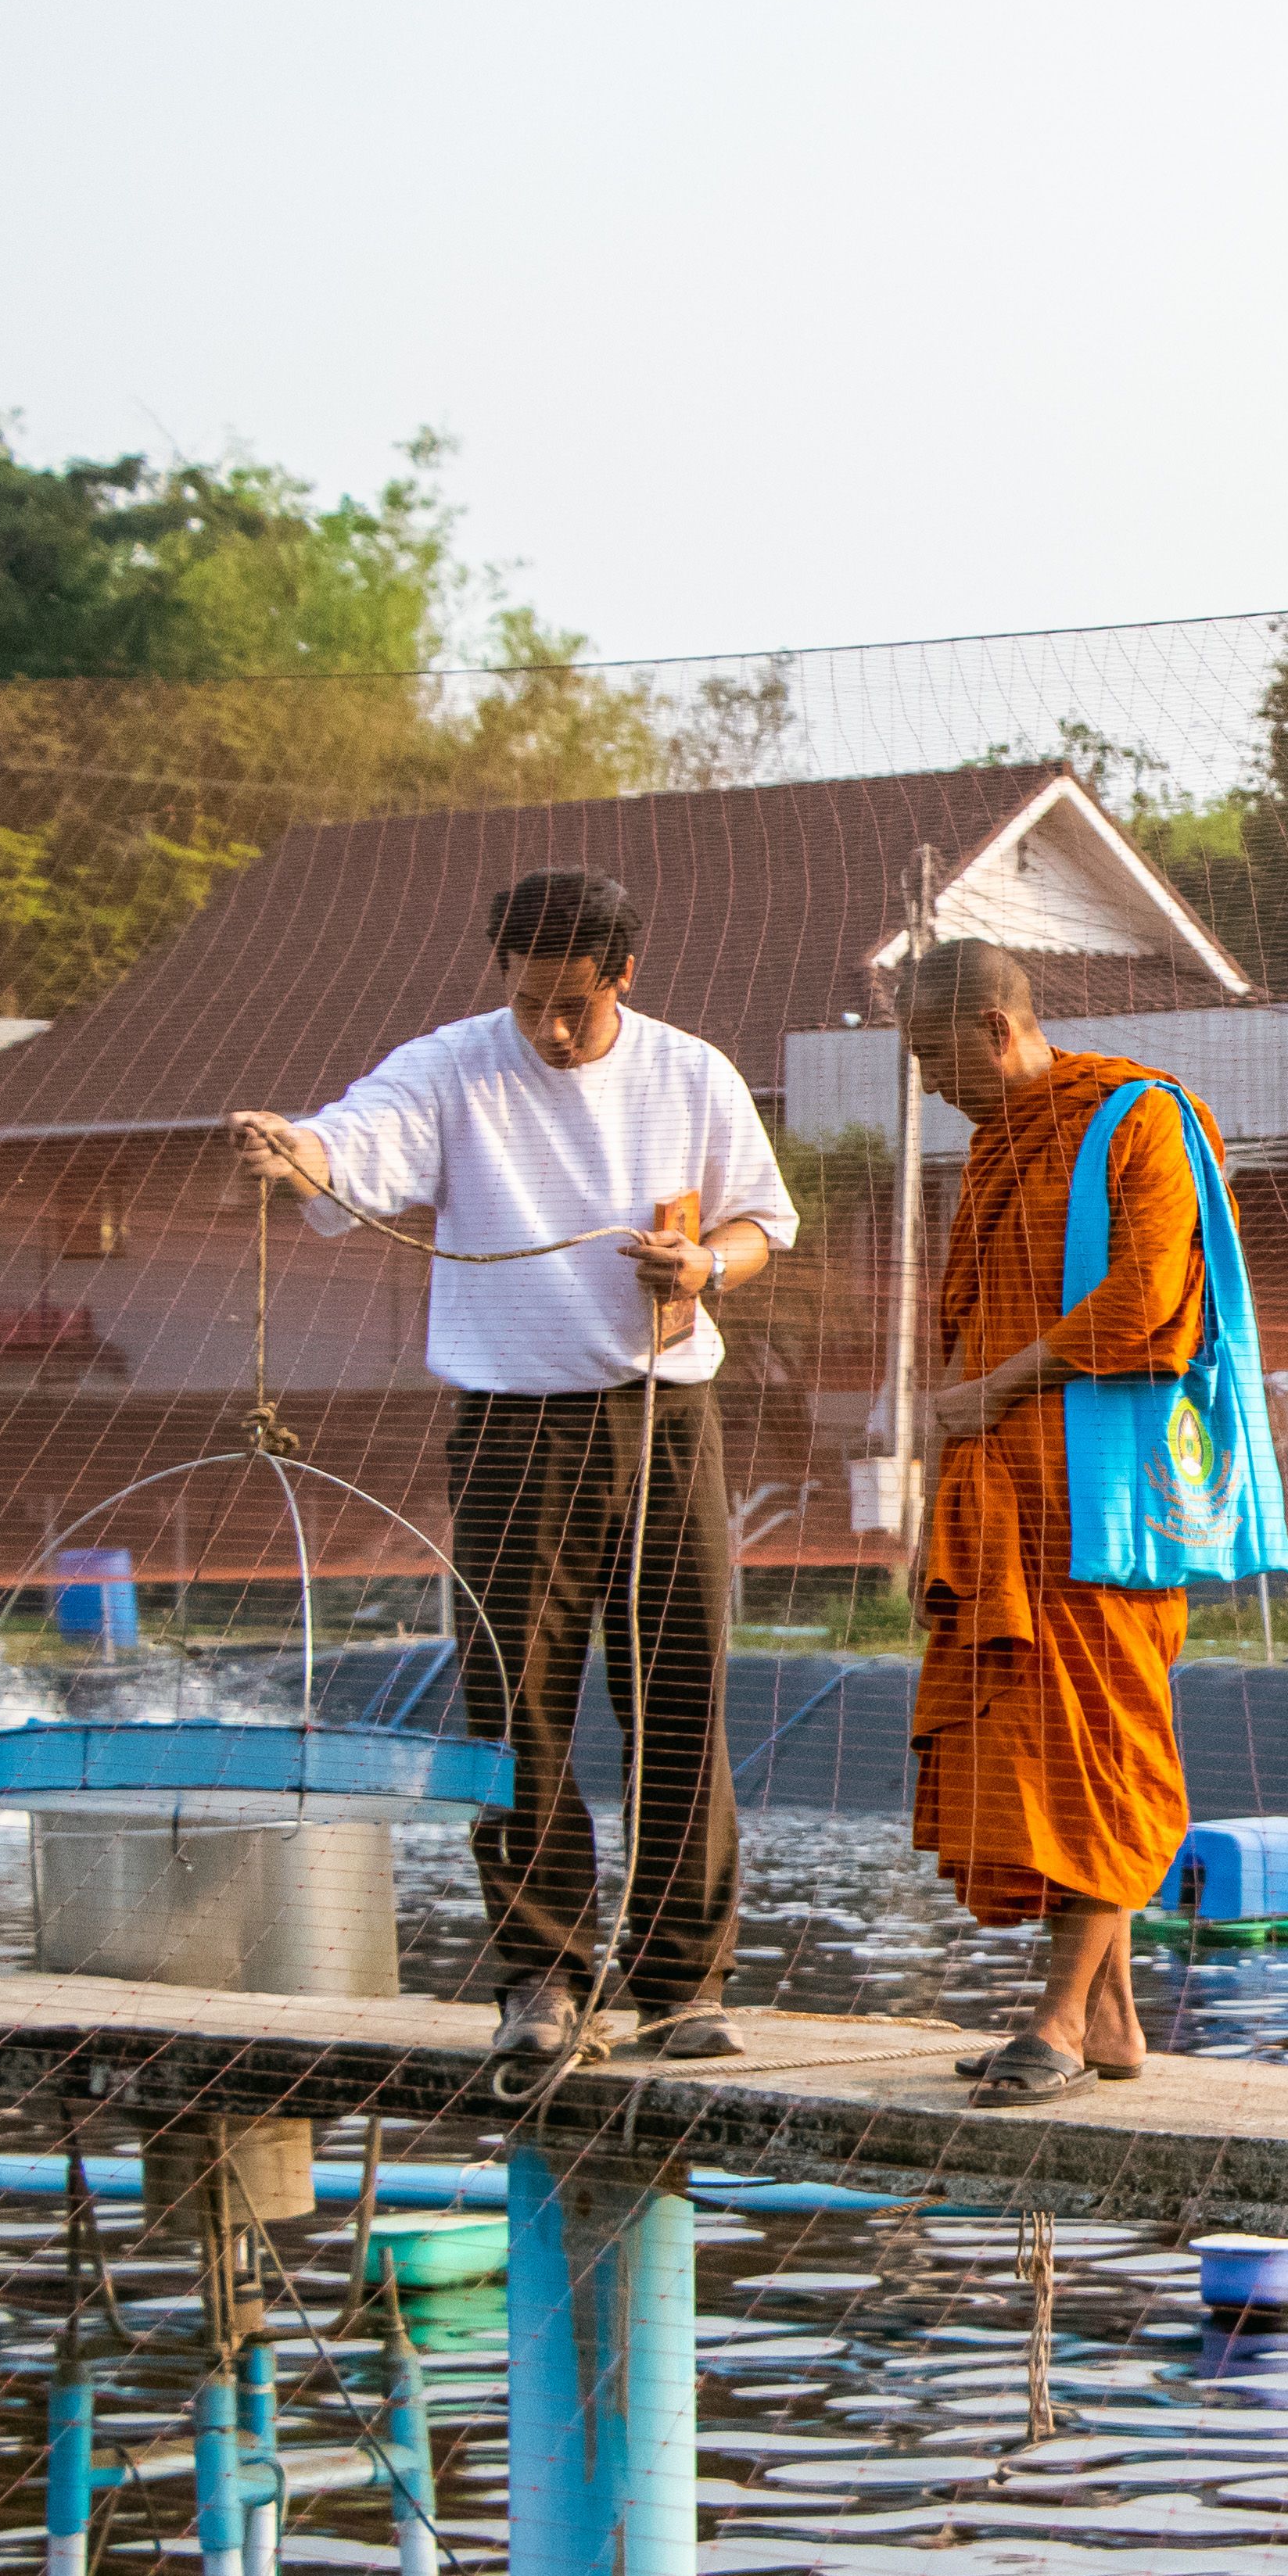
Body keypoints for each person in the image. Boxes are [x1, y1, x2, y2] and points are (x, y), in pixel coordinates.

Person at [229, 866, 796, 2075]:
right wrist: (295, 1150)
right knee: (518, 1711)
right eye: (529, 999)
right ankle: (544, 1977)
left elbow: (761, 1224)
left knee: (679, 1699)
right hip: (508, 1430)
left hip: (664, 1417)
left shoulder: (691, 1071)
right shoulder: (449, 1065)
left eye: (572, 1007)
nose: (546, 1028)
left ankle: (684, 1981)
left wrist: (706, 1268)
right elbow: (353, 1143)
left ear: (622, 979)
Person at [899, 940, 1224, 2109]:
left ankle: (1055, 2019)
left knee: (1101, 1742)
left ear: (994, 1028)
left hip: (1106, 1505)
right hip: (1006, 1503)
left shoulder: (1138, 1119)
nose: (927, 1081)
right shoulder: (998, 1143)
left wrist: (998, 1390)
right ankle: (1113, 2018)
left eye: (934, 1053)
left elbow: (1147, 1297)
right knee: (1042, 1743)